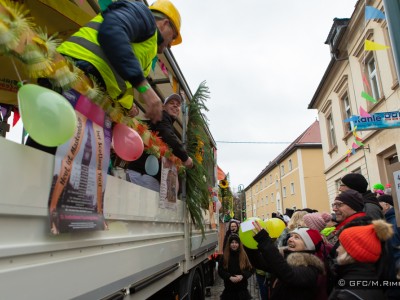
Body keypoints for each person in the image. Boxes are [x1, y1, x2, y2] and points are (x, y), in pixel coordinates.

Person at [26, 0, 181, 154]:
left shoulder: (147, 45)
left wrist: (125, 107)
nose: (169, 45)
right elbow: (112, 31)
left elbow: (118, 77)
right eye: (172, 38)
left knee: (59, 160)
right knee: (43, 153)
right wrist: (144, 88)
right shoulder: (144, 16)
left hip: (85, 89)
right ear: (165, 23)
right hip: (73, 78)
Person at [124, 93, 193, 191]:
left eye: (178, 105)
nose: (175, 106)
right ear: (163, 107)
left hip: (140, 174)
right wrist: (185, 158)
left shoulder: (160, 122)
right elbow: (167, 135)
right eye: (171, 103)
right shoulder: (162, 116)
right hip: (143, 176)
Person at [252, 221, 328, 300]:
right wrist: (250, 246)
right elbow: (259, 263)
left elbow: (288, 274)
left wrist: (264, 240)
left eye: (296, 237)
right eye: (291, 236)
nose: (290, 239)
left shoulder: (311, 268)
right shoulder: (285, 257)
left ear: (308, 246)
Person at [328, 219, 393, 300]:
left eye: (341, 245)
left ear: (352, 252)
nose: (337, 249)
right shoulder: (370, 280)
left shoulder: (348, 294)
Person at [378, 194, 400, 300]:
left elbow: (395, 251)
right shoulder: (388, 222)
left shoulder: (393, 223)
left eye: (379, 204)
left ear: (386, 205)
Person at [218, 234, 253, 300]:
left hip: (242, 291)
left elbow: (251, 269)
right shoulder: (224, 256)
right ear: (229, 244)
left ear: (239, 244)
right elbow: (220, 270)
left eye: (236, 242)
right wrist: (229, 277)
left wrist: (242, 276)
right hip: (229, 290)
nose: (234, 244)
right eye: (232, 242)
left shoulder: (244, 255)